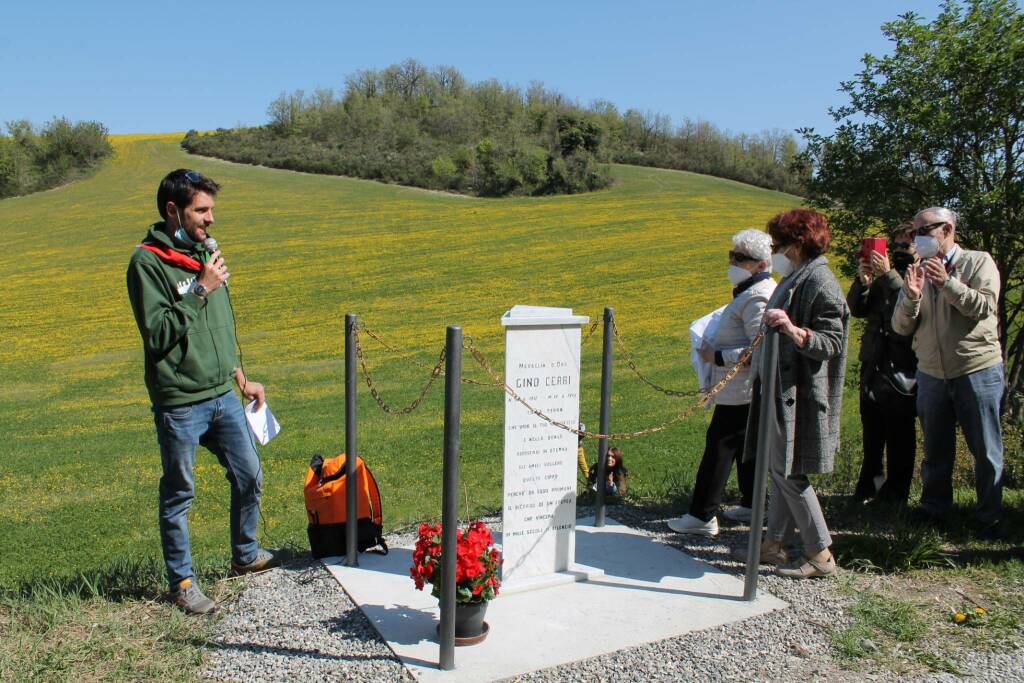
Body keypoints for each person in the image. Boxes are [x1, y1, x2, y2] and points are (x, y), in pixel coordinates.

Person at [126, 169, 284, 615]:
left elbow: (218, 329)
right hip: (180, 403)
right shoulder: (148, 263)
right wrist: (200, 289)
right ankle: (183, 582)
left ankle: (245, 553)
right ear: (173, 210)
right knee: (180, 494)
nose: (211, 219)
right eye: (202, 210)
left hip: (222, 395)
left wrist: (241, 376)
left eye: (211, 209)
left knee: (249, 473)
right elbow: (157, 335)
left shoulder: (205, 255)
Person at [742, 209, 849, 579]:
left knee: (786, 471)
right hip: (780, 388)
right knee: (778, 467)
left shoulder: (820, 281)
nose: (776, 251)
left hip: (799, 394)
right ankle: (774, 544)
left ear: (799, 243)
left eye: (780, 244)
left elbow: (832, 343)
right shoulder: (798, 276)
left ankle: (820, 551)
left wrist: (791, 329)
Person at [892, 207, 1004, 536]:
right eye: (915, 232)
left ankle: (989, 516)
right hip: (930, 372)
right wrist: (912, 296)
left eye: (924, 230)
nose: (917, 238)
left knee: (985, 449)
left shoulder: (977, 262)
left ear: (947, 229)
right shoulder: (917, 270)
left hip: (975, 368)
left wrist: (948, 283)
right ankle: (934, 508)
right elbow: (900, 325)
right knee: (936, 449)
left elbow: (984, 306)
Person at [668, 229, 775, 536]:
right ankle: (754, 504)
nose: (732, 261)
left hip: (740, 387)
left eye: (740, 257)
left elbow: (761, 348)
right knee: (745, 446)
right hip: (739, 387)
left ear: (760, 263)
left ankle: (702, 515)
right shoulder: (749, 290)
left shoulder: (758, 296)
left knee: (719, 447)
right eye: (732, 255)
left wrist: (716, 356)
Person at [847, 224, 919, 503]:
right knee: (872, 430)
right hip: (874, 362)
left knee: (899, 433)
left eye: (906, 246)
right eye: (896, 246)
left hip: (903, 365)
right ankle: (869, 488)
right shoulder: (883, 277)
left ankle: (896, 494)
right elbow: (857, 309)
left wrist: (888, 273)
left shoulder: (917, 274)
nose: (899, 251)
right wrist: (863, 281)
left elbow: (910, 306)